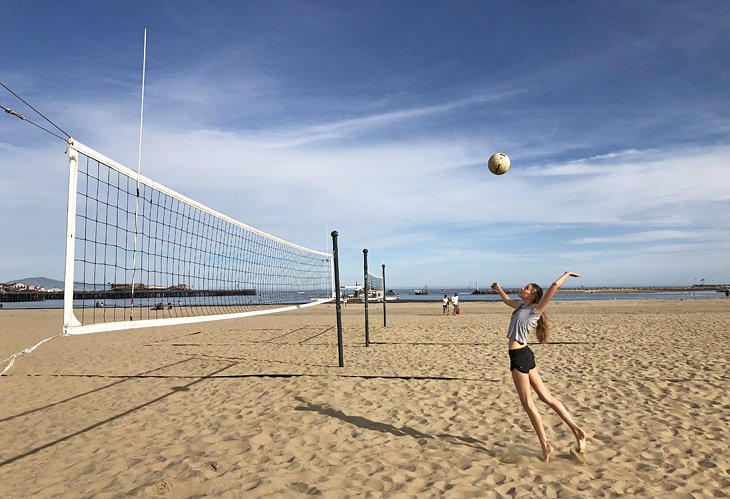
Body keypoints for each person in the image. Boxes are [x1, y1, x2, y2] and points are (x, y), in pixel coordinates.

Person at [491, 272, 587, 462]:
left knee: (528, 403)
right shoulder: (520, 305)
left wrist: (566, 274)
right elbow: (506, 300)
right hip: (525, 354)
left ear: (533, 295)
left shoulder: (536, 309)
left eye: (527, 288)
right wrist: (498, 288)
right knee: (545, 397)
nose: (523, 288)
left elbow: (553, 287)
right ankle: (578, 431)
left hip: (519, 356)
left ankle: (546, 445)